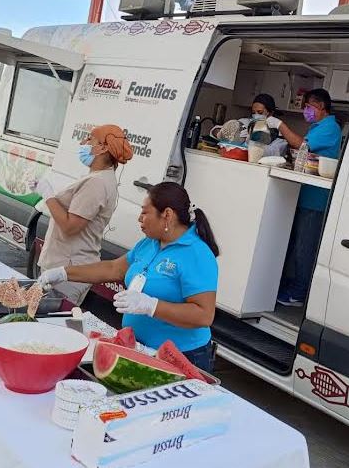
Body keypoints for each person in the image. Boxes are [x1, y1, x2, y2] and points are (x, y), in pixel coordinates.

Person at [38, 182, 220, 371]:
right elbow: (113, 268)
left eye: (145, 212)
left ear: (167, 214)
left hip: (182, 356)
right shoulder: (150, 243)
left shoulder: (197, 254)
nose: (139, 218)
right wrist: (64, 273)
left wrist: (151, 306)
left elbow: (204, 315)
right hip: (139, 348)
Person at [34, 124, 133, 304]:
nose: (83, 143)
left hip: (68, 270)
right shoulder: (99, 177)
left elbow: (70, 227)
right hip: (68, 267)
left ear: (102, 148)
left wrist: (47, 195)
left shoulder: (96, 183)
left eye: (89, 139)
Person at [268, 88, 342, 306]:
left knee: (304, 247)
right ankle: (288, 286)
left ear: (321, 106)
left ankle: (298, 294)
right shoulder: (318, 127)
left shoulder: (330, 127)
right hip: (305, 195)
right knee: (296, 244)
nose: (306, 111)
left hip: (315, 199)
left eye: (308, 107)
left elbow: (301, 145)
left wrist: (280, 125)